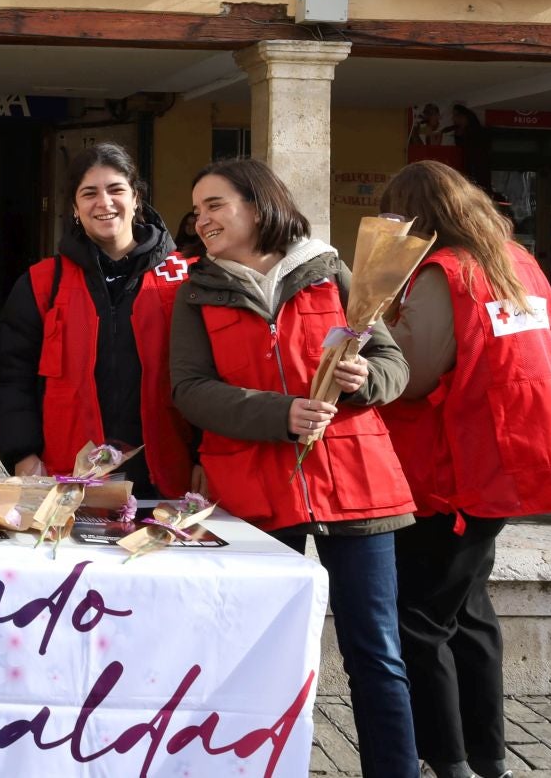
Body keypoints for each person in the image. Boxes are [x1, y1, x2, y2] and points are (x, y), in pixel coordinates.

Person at [169, 158, 417, 778]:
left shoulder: (332, 273)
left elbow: (393, 363)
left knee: (378, 653)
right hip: (253, 489)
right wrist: (279, 414)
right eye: (198, 210)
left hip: (356, 482)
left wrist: (366, 379)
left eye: (215, 205)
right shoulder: (196, 291)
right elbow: (190, 389)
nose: (202, 220)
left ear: (258, 205)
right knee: (252, 654)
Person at [377, 161, 551, 778]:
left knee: (421, 619)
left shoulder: (444, 274)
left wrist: (372, 333)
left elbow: (411, 378)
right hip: (507, 462)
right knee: (469, 615)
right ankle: (487, 756)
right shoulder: (516, 264)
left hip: (448, 470)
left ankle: (448, 759)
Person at [0, 143, 196, 495]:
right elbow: (12, 375)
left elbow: (206, 378)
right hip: (68, 476)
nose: (104, 203)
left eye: (116, 189)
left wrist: (203, 459)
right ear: (75, 207)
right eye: (89, 193)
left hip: (165, 477)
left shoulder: (181, 280)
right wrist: (22, 453)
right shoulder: (43, 283)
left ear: (136, 198)